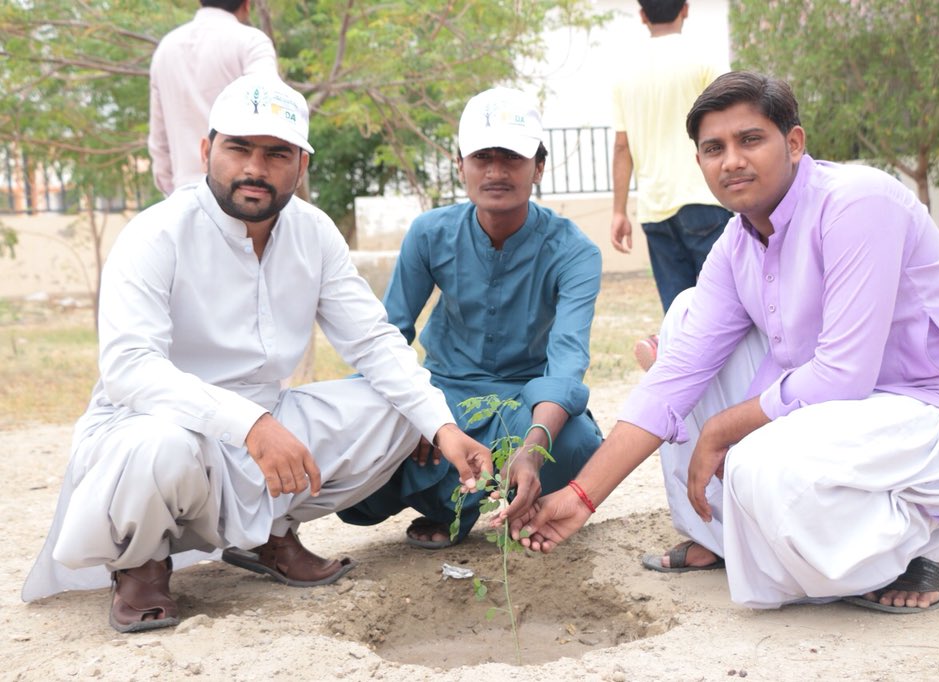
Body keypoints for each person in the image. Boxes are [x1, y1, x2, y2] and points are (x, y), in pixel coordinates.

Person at [507, 71, 939, 613]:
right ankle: (722, 538)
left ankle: (937, 544)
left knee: (759, 466)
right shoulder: (737, 242)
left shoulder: (858, 202)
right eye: (714, 148)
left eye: (750, 139)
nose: (731, 160)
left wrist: (722, 430)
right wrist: (581, 498)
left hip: (937, 414)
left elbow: (844, 374)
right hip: (847, 414)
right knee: (683, 320)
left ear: (793, 143)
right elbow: (674, 380)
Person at [21, 74, 491, 633]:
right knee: (160, 446)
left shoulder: (313, 233)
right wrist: (250, 425)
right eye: (238, 148)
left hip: (266, 420)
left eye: (276, 153)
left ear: (301, 165)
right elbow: (130, 371)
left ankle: (269, 533)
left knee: (396, 412)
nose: (254, 168)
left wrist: (440, 425)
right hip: (154, 425)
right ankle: (141, 564)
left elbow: (373, 340)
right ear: (206, 151)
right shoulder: (156, 234)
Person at [338, 87, 604, 549]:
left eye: (512, 158)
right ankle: (449, 507)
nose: (496, 172)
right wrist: (420, 411)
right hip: (444, 392)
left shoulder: (575, 252)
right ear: (460, 164)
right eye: (482, 157)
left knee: (575, 440)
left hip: (523, 402)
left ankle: (466, 505)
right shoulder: (429, 234)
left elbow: (566, 362)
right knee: (352, 420)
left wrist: (532, 447)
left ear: (538, 167)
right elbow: (388, 336)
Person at [609, 0, 732, 369]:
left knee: (679, 314)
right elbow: (730, 124)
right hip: (704, 198)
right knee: (725, 306)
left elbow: (622, 146)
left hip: (654, 208)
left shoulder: (625, 73)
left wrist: (618, 211)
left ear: (642, 15)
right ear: (686, 9)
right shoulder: (706, 60)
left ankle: (679, 381)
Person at [148, 0, 278, 196]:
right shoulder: (251, 42)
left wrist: (173, 193)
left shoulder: (166, 48)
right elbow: (268, 115)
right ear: (246, 4)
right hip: (242, 194)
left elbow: (158, 140)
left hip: (183, 193)